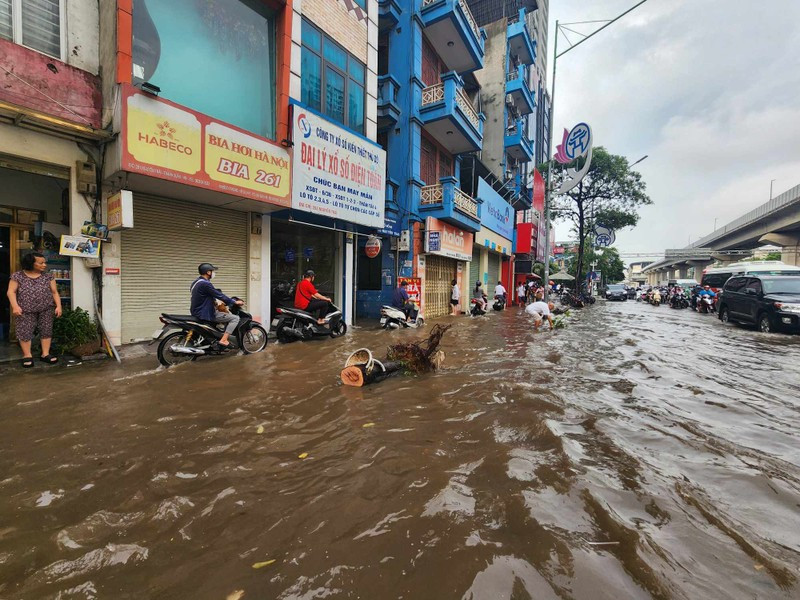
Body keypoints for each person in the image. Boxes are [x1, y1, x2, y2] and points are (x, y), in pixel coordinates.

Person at [6, 252, 62, 368]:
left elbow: (54, 292)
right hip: (25, 309)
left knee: (46, 330)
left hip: (46, 308)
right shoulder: (18, 276)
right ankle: (27, 355)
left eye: (44, 262)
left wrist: (58, 306)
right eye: (41, 263)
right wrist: (15, 306)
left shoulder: (48, 276)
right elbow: (11, 292)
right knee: (25, 331)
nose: (44, 265)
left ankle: (45, 354)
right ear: (31, 263)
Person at [190, 263, 244, 350]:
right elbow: (219, 294)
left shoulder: (195, 282)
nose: (213, 273)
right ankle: (223, 340)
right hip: (205, 313)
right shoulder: (205, 284)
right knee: (235, 318)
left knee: (222, 317)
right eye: (212, 271)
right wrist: (234, 302)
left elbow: (204, 296)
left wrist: (214, 302)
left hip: (197, 311)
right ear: (208, 272)